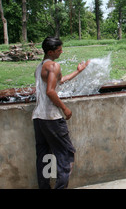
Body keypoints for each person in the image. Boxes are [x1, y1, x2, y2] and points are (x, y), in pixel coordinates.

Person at [32, 36, 90, 189]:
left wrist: (78, 71)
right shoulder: (53, 65)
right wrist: (65, 108)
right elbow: (51, 91)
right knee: (66, 155)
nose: (61, 52)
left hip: (38, 118)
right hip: (52, 118)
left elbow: (59, 81)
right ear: (50, 52)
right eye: (59, 50)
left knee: (44, 156)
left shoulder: (41, 67)